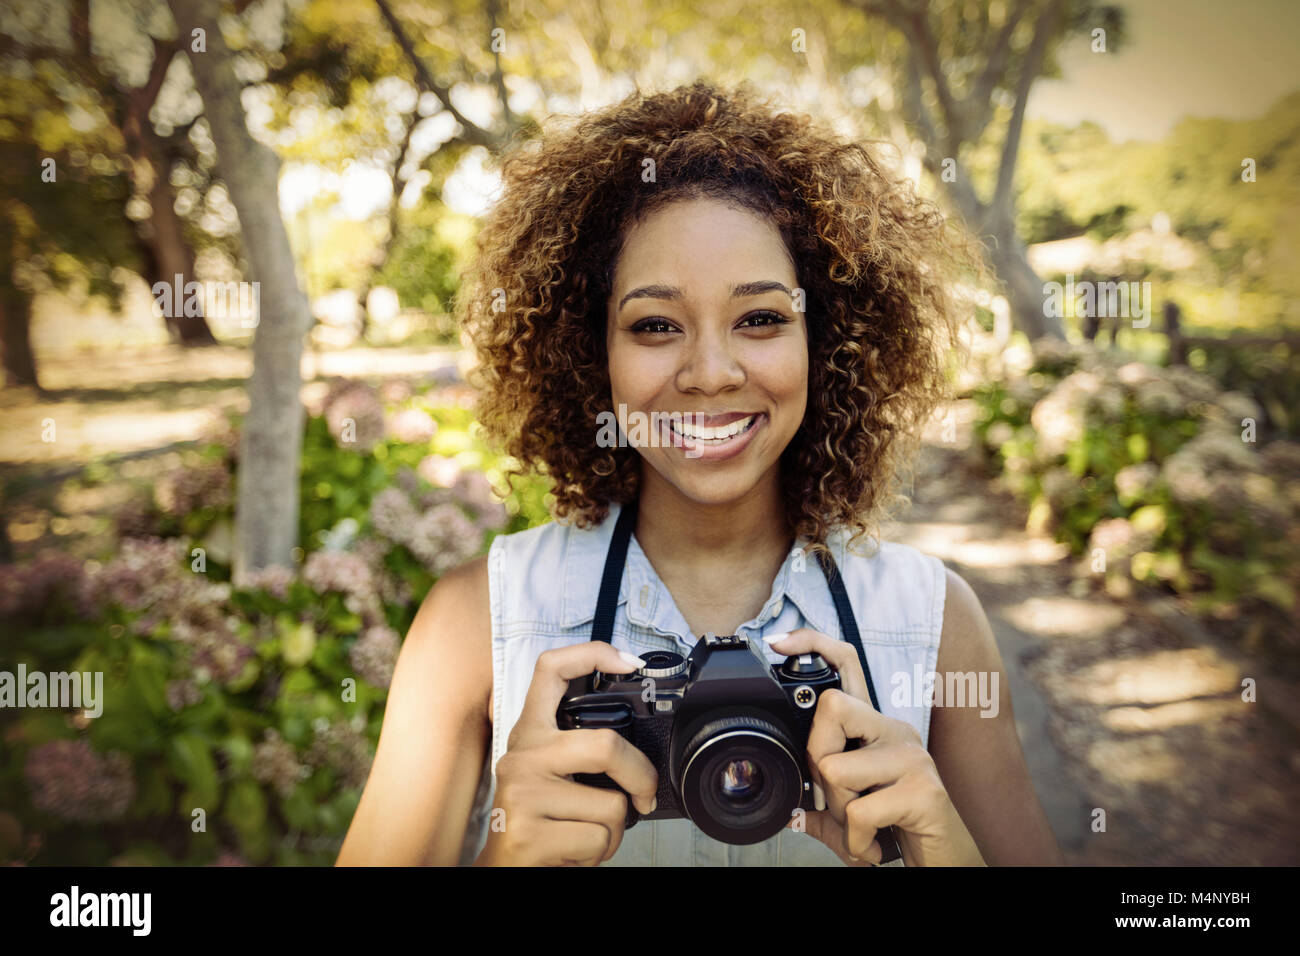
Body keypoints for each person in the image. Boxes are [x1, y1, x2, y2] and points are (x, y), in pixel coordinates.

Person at [337, 80, 1064, 867]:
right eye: (655, 325)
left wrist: (941, 848)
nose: (710, 373)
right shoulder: (474, 624)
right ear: (592, 351)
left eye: (760, 319)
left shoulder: (934, 621)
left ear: (828, 340)